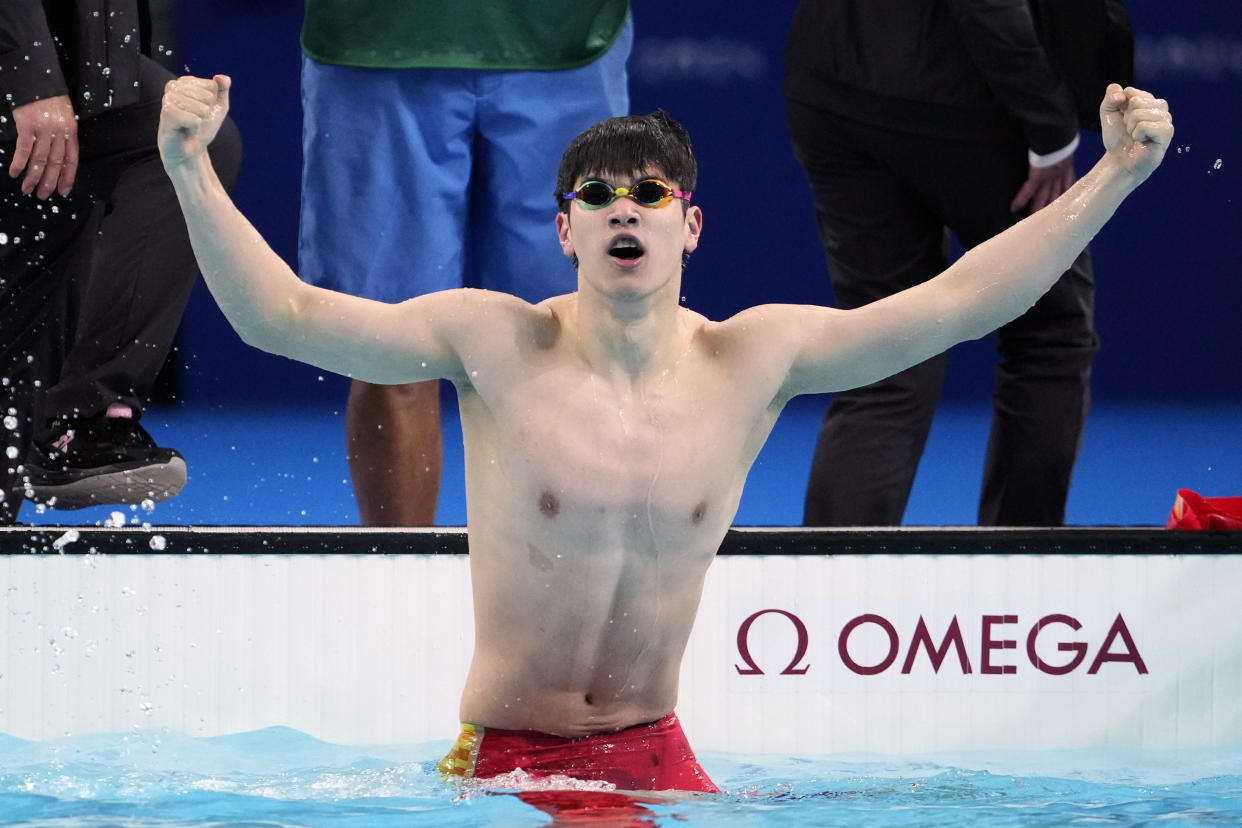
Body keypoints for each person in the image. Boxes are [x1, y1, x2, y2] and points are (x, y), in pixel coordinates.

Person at [157, 73, 1172, 791]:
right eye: (596, 196)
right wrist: (189, 171)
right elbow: (279, 317)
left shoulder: (752, 360)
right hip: (509, 763)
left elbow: (961, 302)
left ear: (690, 224)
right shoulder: (494, 342)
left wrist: (1116, 175)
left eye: (649, 192)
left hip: (659, 755)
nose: (622, 210)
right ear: (565, 231)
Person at [299, 1, 632, 526]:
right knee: (390, 346)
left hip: (567, 33)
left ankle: (567, 595)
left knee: (572, 342)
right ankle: (400, 588)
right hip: (379, 34)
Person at [783, 0, 1112, 527]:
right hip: (970, 97)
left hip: (831, 85)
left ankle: (835, 585)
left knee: (883, 352)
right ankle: (1018, 575)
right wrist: (1050, 123)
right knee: (1049, 331)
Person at [0, 0, 242, 523]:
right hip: (33, 72)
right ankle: (81, 424)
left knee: (189, 141)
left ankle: (81, 426)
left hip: (84, 65)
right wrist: (27, 72)